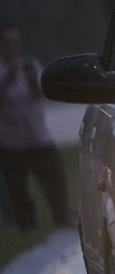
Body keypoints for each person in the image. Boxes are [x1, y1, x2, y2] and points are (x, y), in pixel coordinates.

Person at [0, 25, 72, 230]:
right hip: (11, 141)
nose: (13, 47)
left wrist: (32, 82)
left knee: (55, 177)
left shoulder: (29, 64)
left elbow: (41, 95)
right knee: (18, 187)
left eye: (16, 42)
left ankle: (61, 216)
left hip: (38, 136)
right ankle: (27, 225)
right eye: (8, 43)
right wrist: (8, 79)